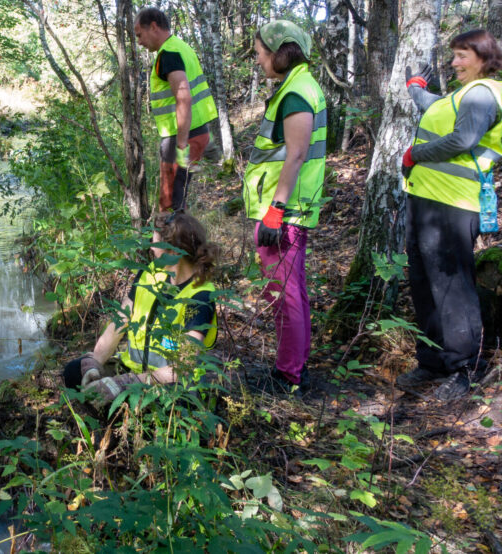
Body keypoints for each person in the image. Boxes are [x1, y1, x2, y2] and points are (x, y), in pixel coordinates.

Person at [396, 29, 502, 400]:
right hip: (427, 201)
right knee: (425, 283)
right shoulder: (461, 94)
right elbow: (434, 106)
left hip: (453, 204)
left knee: (452, 288)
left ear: (484, 58)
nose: (454, 62)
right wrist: (414, 88)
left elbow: (463, 139)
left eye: (462, 56)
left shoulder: (483, 94)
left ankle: (465, 368)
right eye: (454, 55)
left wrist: (414, 155)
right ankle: (432, 361)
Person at [242, 20, 326, 393]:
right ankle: (296, 366)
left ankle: (288, 375)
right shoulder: (296, 86)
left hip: (285, 211)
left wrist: (275, 210)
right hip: (289, 208)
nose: (259, 61)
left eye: (261, 53)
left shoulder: (297, 92)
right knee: (293, 293)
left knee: (283, 295)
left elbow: (295, 155)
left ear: (280, 52)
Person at [62, 213, 219, 403]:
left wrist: (125, 383)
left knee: (139, 401)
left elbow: (183, 368)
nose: (152, 248)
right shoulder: (150, 274)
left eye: (156, 244)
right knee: (74, 371)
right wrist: (94, 363)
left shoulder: (200, 297)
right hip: (134, 372)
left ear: (174, 252)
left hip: (171, 384)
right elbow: (120, 321)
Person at [133, 7, 219, 212]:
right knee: (177, 201)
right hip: (197, 130)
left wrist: (181, 146)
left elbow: (183, 98)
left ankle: (169, 243)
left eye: (139, 35)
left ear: (153, 27)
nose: (139, 42)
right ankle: (176, 241)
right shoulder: (181, 46)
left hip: (180, 137)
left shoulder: (168, 54)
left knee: (169, 206)